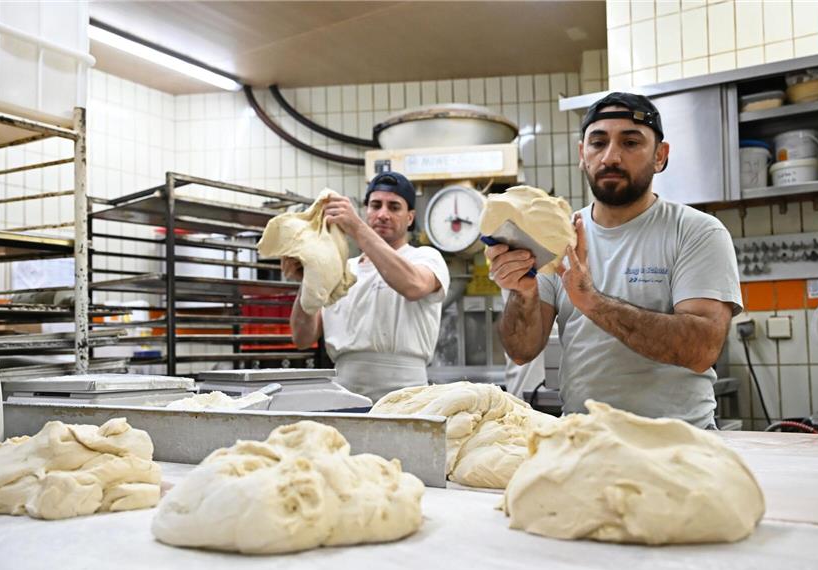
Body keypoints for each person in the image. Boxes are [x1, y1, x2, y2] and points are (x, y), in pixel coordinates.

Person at [486, 92, 742, 428]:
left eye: (630, 142)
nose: (611, 157)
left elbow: (702, 348)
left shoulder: (696, 232)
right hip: (584, 437)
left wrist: (591, 302)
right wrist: (523, 293)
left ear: (660, 156)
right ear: (582, 154)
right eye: (598, 142)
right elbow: (522, 350)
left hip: (678, 440)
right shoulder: (558, 235)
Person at [284, 171, 450, 402]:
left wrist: (356, 227)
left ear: (410, 217)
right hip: (344, 394)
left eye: (394, 207)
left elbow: (413, 286)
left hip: (407, 395)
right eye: (376, 205)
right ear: (366, 210)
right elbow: (302, 337)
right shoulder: (341, 269)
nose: (383, 214)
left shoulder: (425, 258)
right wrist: (309, 278)